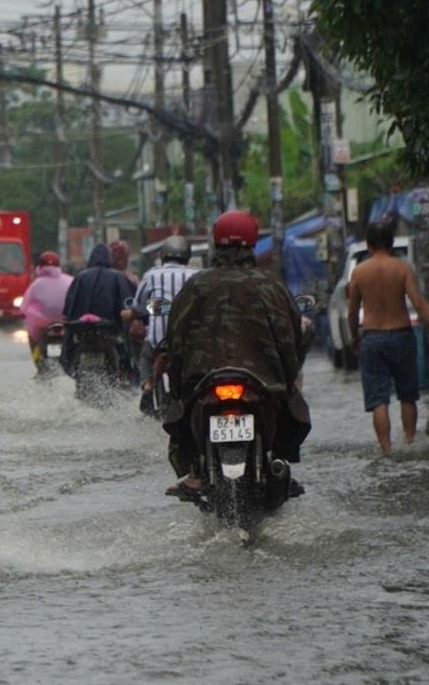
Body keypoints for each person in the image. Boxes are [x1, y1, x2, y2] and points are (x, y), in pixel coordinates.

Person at [163, 210, 311, 496]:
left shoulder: (196, 285)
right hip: (264, 382)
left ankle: (194, 471)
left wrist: (180, 386)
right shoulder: (271, 285)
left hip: (202, 382)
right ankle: (278, 462)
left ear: (217, 243)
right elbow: (291, 337)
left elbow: (175, 340)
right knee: (289, 408)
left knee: (179, 411)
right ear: (252, 243)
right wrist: (287, 377)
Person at [347, 220, 429, 453]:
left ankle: (387, 449)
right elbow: (420, 305)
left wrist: (354, 338)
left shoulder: (359, 273)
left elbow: (351, 312)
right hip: (402, 336)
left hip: (372, 338)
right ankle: (409, 444)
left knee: (379, 399)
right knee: (408, 395)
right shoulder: (402, 269)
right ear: (390, 244)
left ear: (368, 245)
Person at [123, 235, 198, 413]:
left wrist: (143, 310)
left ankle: (147, 386)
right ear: (187, 256)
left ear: (163, 255)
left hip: (159, 339)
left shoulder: (151, 275)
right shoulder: (196, 275)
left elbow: (140, 306)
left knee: (146, 356)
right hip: (189, 340)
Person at [61, 243, 136, 375]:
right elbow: (131, 302)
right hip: (110, 330)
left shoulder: (80, 277)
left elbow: (68, 308)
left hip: (82, 330)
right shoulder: (119, 277)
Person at [20, 251, 73, 361]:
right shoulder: (70, 280)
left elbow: (24, 307)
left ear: (39, 267)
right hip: (67, 321)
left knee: (32, 337)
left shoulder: (36, 285)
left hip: (43, 325)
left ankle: (37, 360)